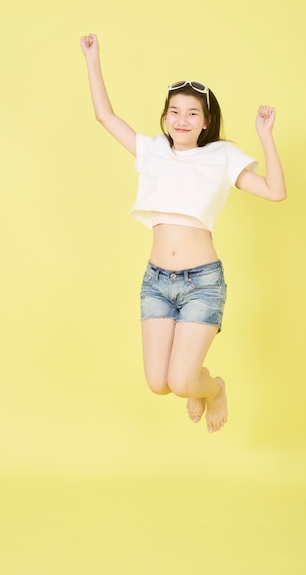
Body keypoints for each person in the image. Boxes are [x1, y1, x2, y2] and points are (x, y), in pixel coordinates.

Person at [80, 33, 286, 434]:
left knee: (183, 382)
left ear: (206, 121)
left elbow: (276, 192)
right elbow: (105, 116)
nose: (182, 120)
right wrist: (92, 58)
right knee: (159, 383)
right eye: (175, 111)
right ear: (165, 116)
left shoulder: (222, 156)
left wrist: (266, 138)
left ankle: (214, 389)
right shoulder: (152, 150)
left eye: (192, 114)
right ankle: (198, 383)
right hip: (156, 282)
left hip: (202, 284)